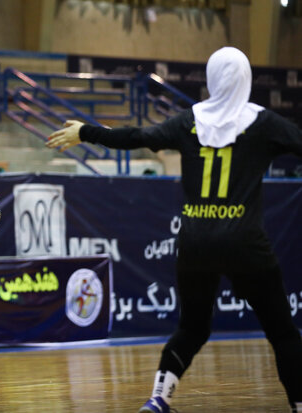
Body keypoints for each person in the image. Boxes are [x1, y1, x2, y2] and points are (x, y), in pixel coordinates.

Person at [46, 47, 302, 413]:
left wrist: (86, 132)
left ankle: (158, 399)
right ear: (247, 77)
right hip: (245, 243)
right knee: (283, 334)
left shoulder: (189, 120)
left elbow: (138, 136)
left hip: (195, 242)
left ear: (211, 79)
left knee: (193, 329)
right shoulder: (265, 123)